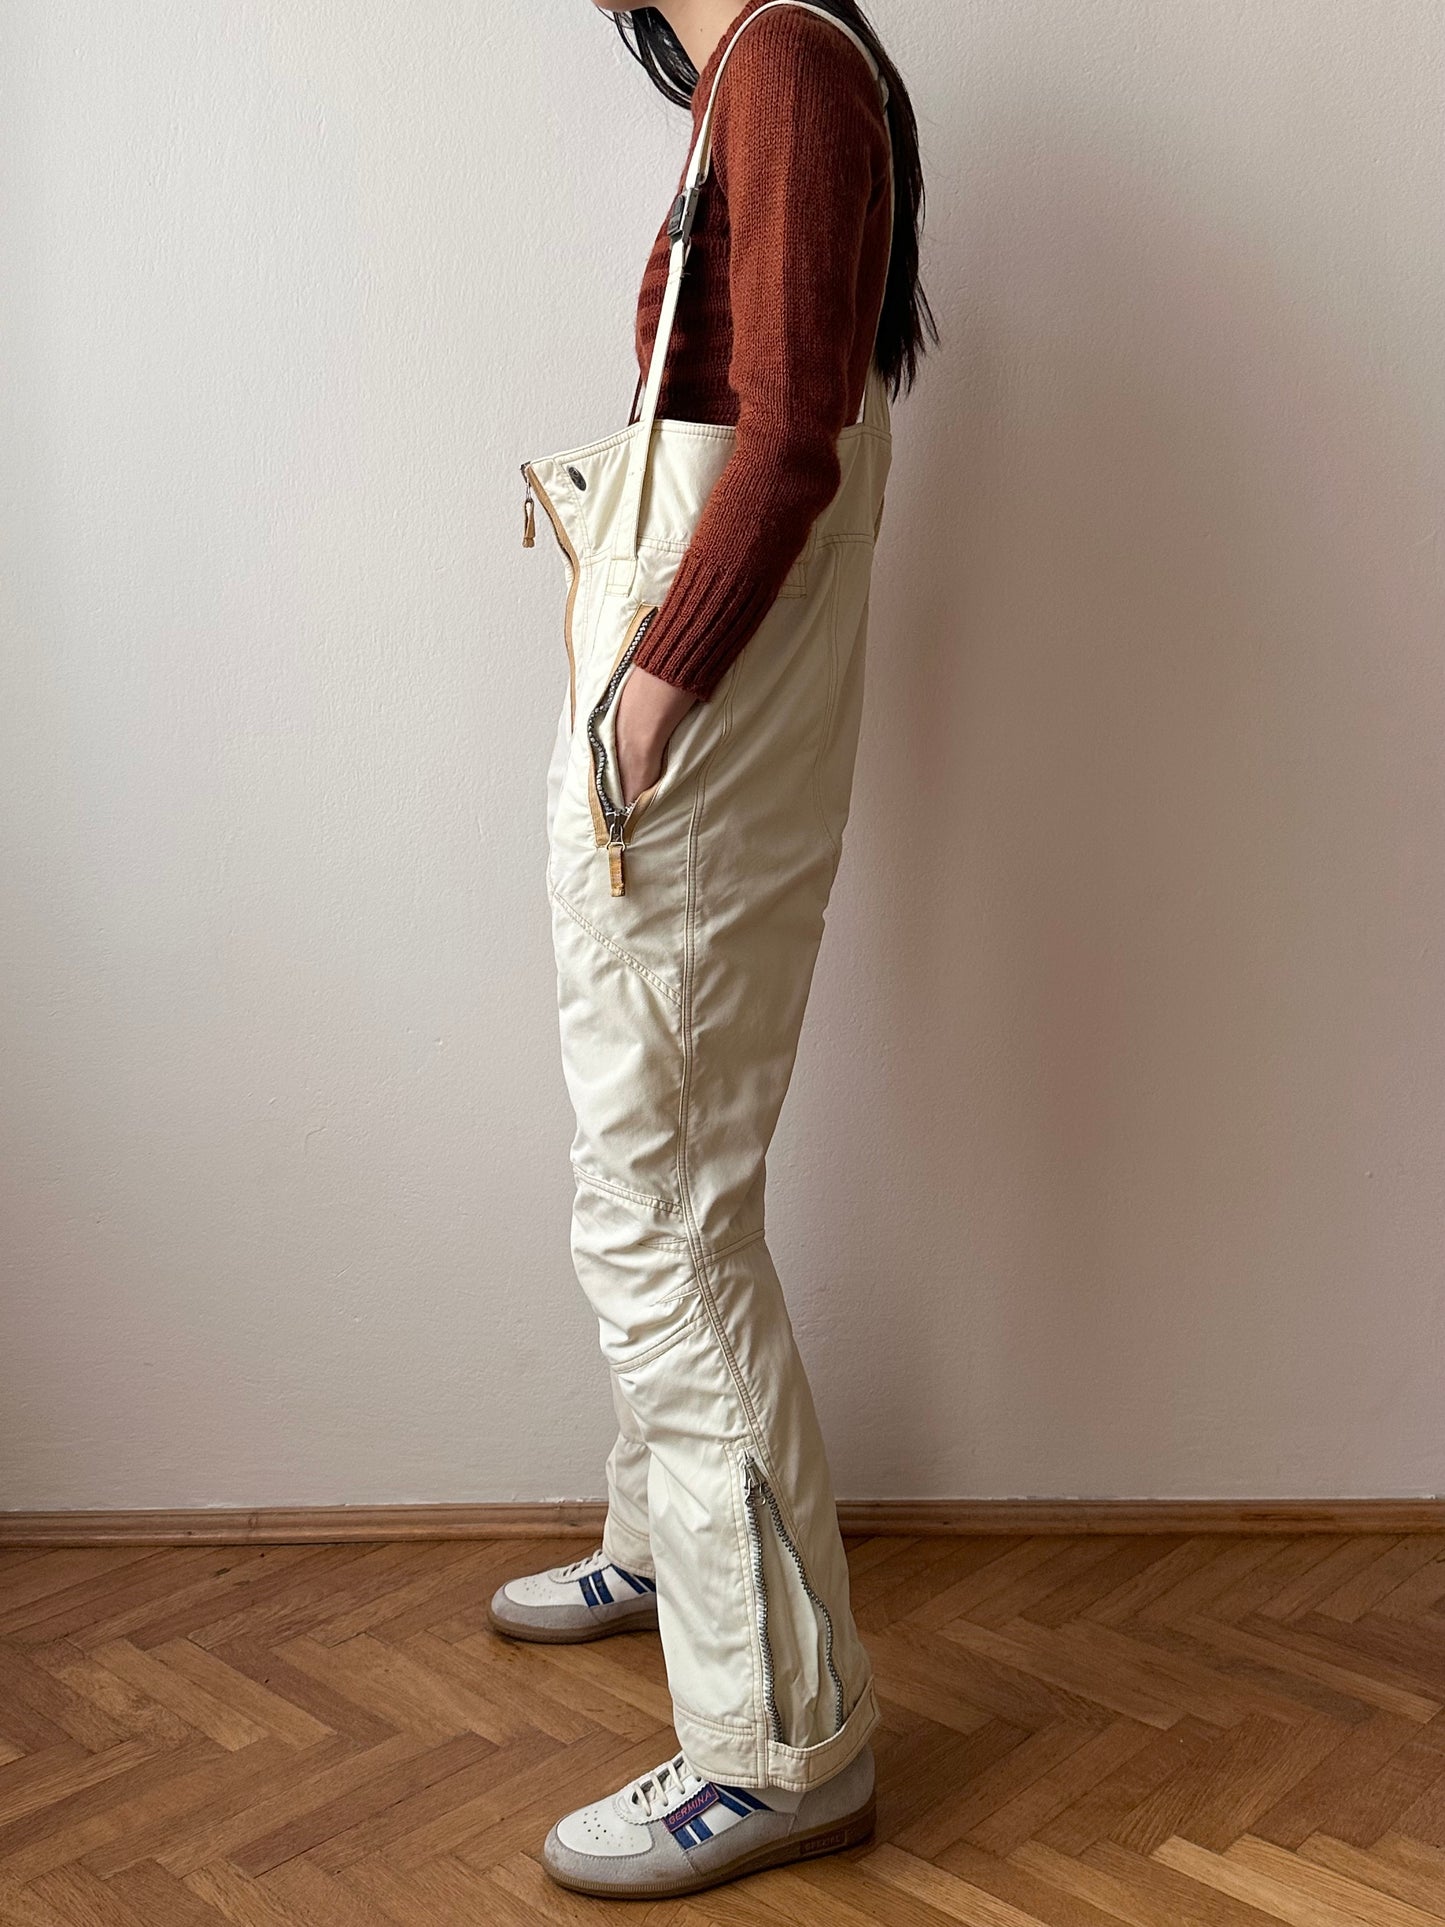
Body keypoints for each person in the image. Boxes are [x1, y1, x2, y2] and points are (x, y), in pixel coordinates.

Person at [499, 0, 934, 1899]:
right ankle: (668, 1544)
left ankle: (779, 1745)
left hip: (698, 719)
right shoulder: (768, 73)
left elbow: (789, 443)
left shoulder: (789, 70)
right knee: (651, 1148)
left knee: (660, 1205)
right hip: (697, 714)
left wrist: (650, 691)